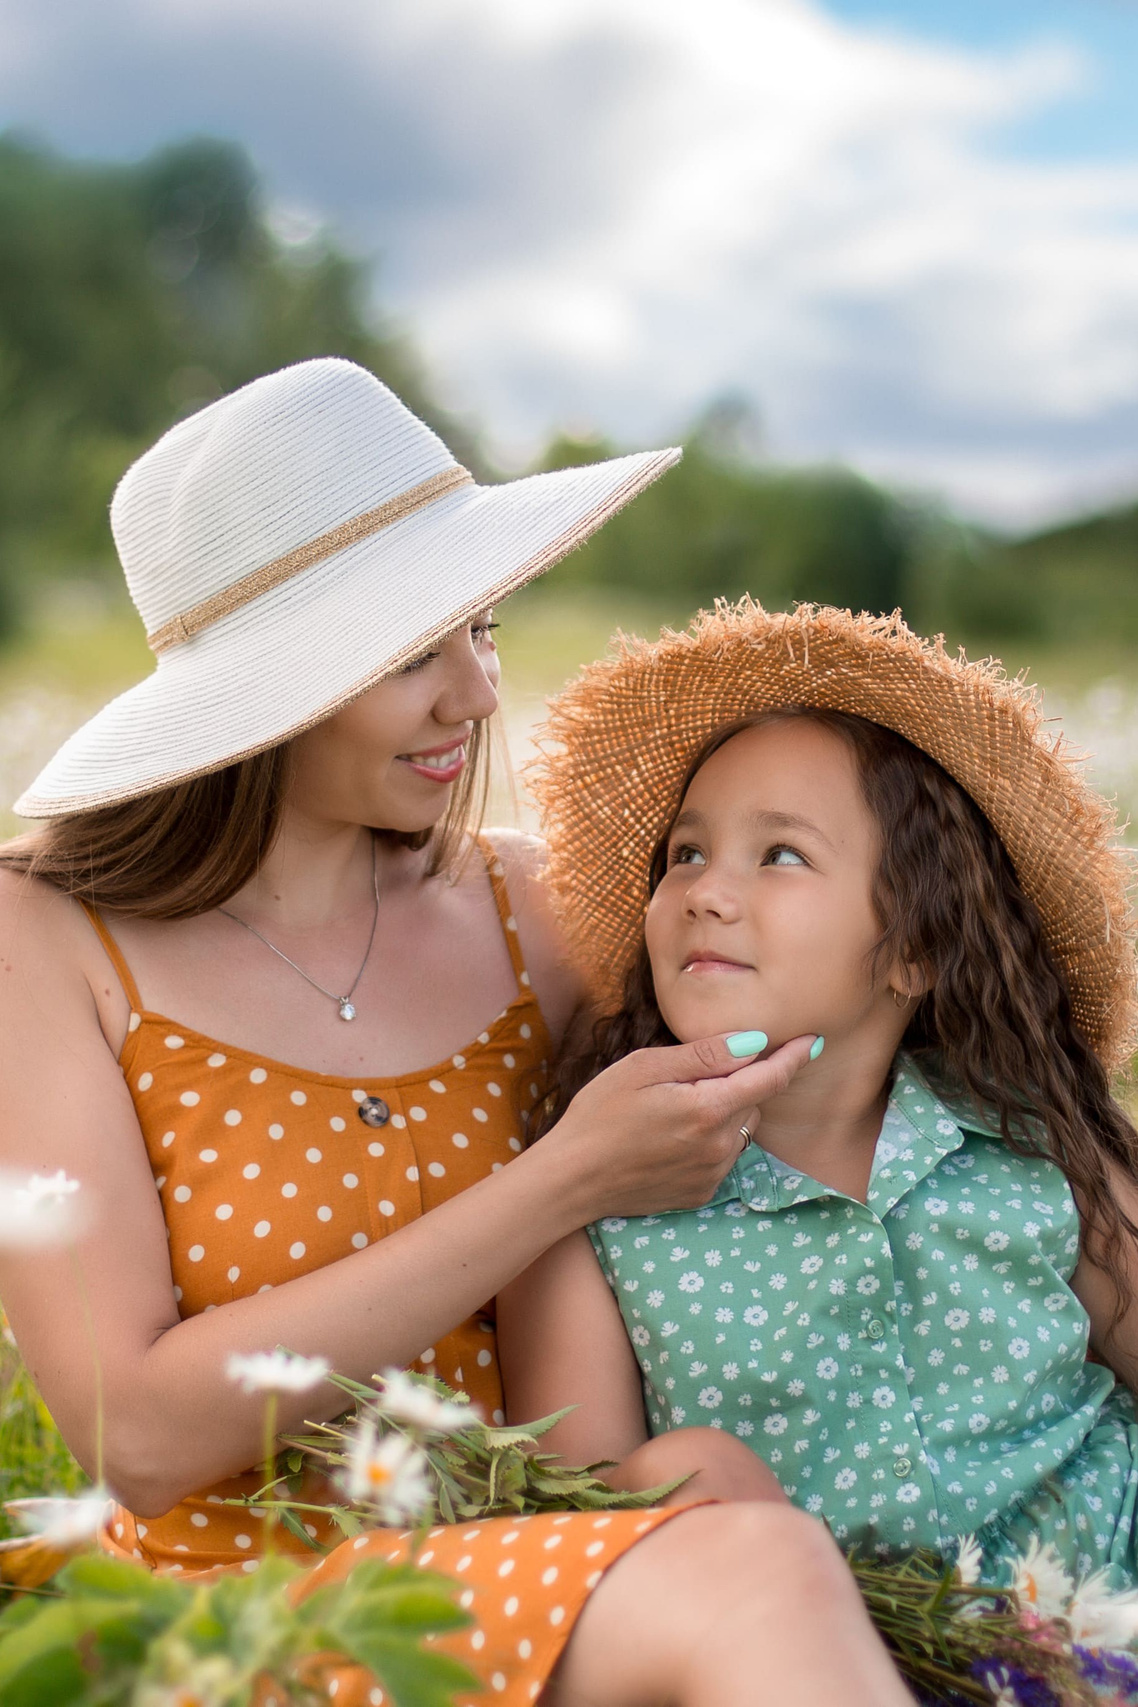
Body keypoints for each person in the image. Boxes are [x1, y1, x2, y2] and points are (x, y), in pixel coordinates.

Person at [0, 365, 910, 1707]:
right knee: (756, 1570)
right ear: (273, 687)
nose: (478, 695)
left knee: (714, 1486)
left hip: (527, 1541)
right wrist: (562, 1178)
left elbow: (843, 1055)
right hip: (249, 1607)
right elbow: (133, 1431)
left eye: (478, 629)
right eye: (413, 650)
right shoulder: (46, 935)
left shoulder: (535, 907)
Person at [508, 598, 1138, 1590]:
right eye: (686, 853)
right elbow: (578, 1540)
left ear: (917, 950)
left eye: (781, 855)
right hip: (814, 1657)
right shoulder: (590, 1212)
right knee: (676, 1476)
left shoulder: (1030, 1147)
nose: (707, 891)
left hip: (1104, 1620)